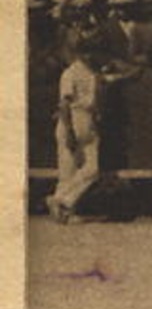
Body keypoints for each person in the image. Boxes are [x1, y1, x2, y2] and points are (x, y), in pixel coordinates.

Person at [46, 42, 102, 225]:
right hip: (72, 119)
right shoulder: (70, 73)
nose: (90, 56)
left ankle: (59, 199)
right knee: (67, 170)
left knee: (92, 168)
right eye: (87, 52)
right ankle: (65, 212)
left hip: (87, 120)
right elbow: (64, 105)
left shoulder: (91, 73)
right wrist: (69, 130)